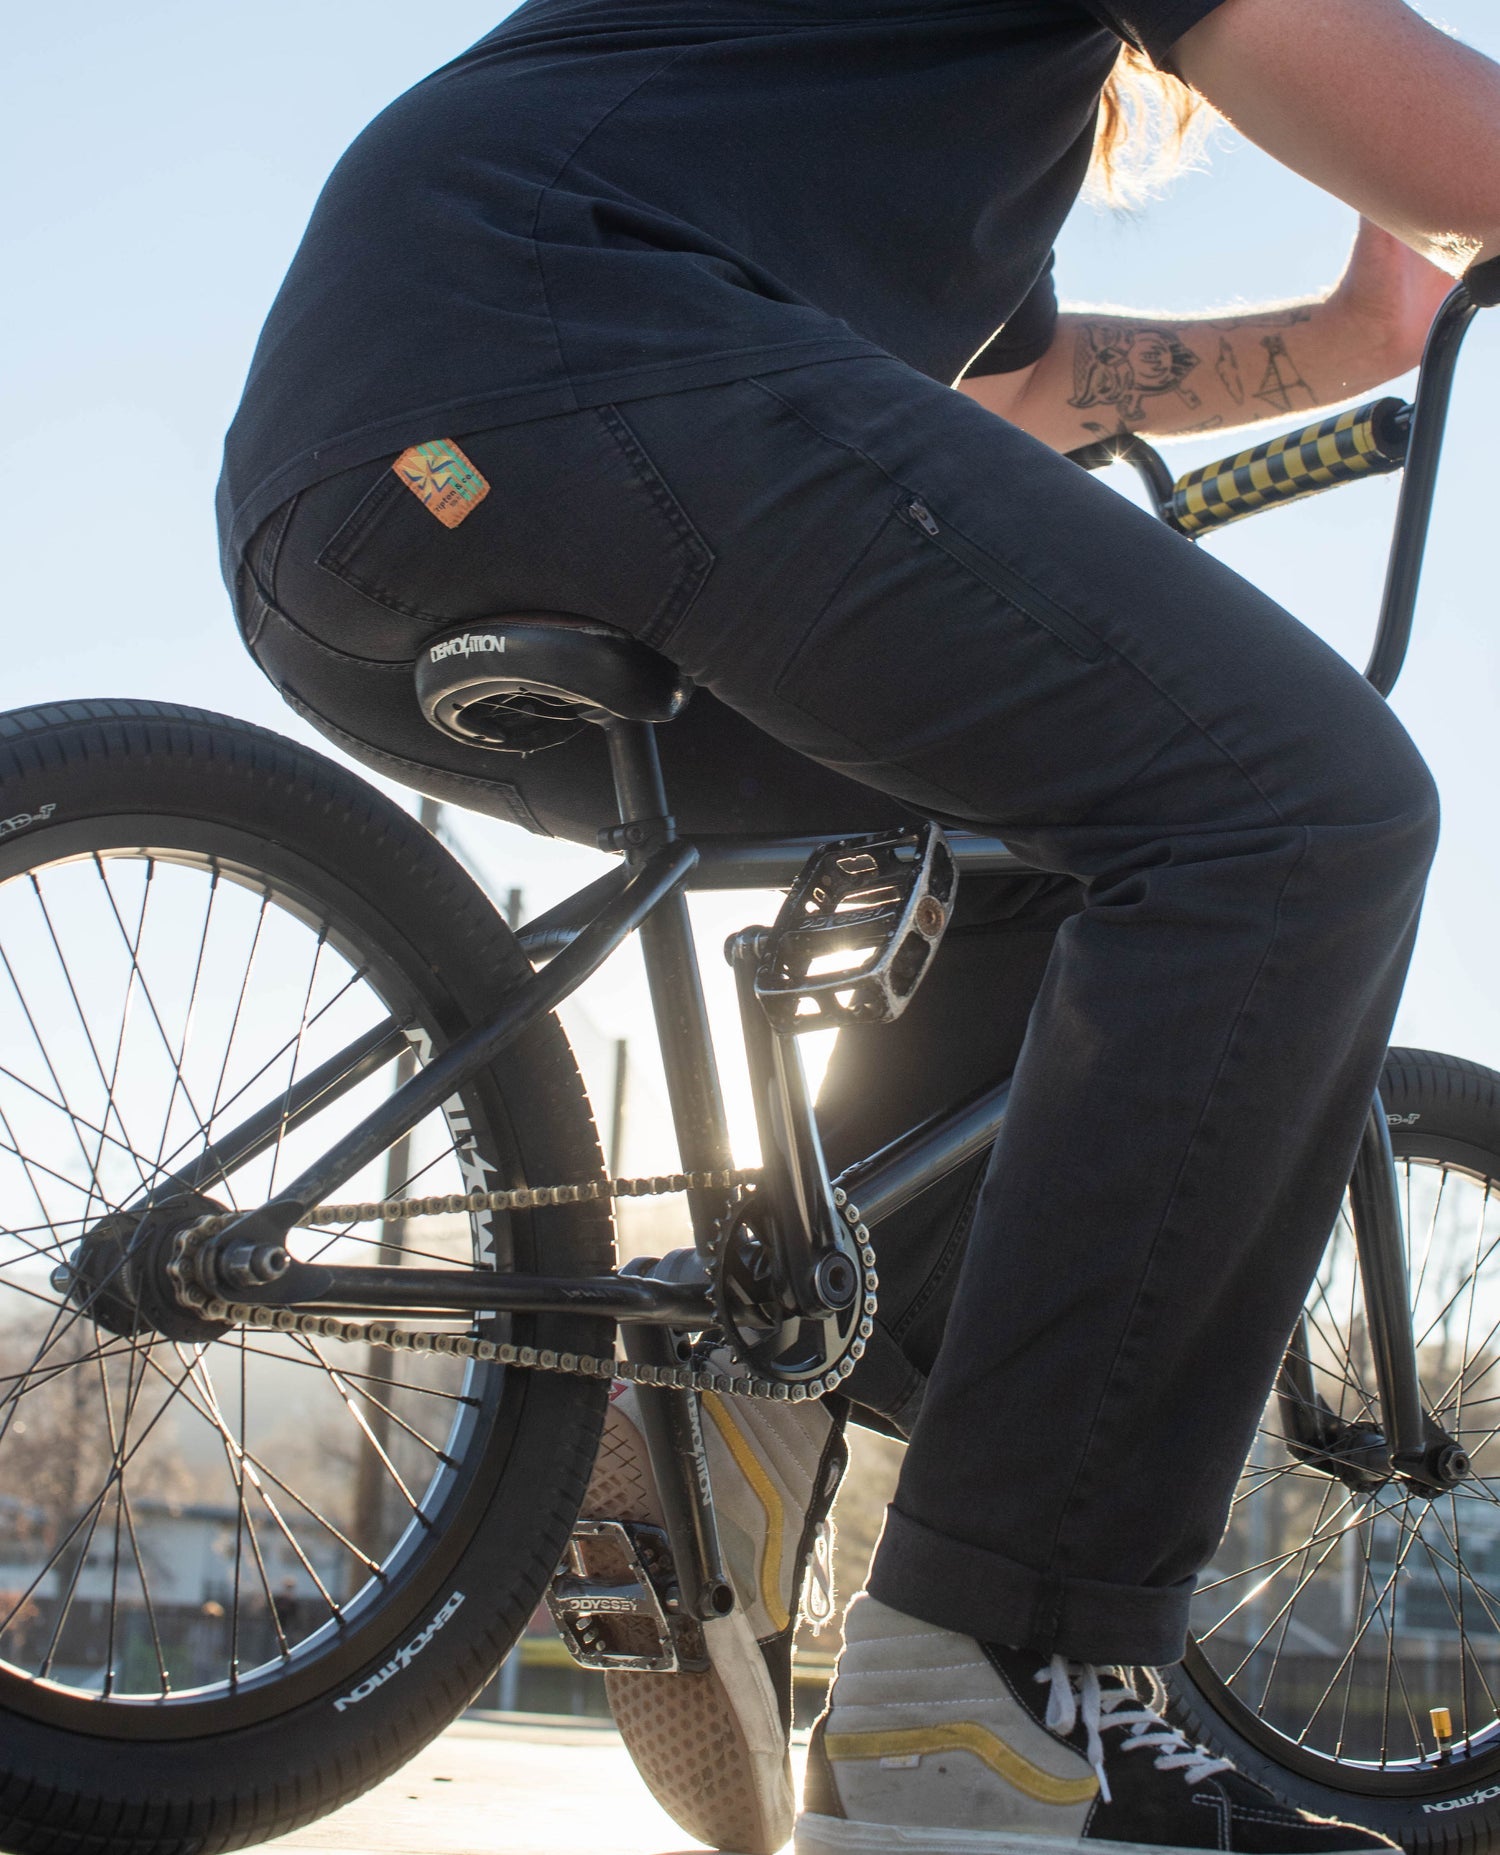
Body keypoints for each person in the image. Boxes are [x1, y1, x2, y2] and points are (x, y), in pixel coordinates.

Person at [216, 0, 1500, 1851]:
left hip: (351, 497)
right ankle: (988, 1688)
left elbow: (1036, 402)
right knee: (1309, 804)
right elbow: (1424, 138)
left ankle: (732, 1419)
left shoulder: (888, 87)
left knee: (1026, 820)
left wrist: (1399, 290)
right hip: (589, 354)